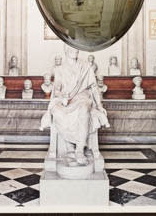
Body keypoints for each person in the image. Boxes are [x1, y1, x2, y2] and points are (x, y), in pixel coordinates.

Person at [41, 46, 109, 176]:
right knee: (57, 111)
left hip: (83, 97)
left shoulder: (85, 67)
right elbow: (57, 88)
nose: (75, 51)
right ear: (65, 50)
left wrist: (99, 105)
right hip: (67, 99)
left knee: (83, 109)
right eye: (71, 49)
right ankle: (69, 148)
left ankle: (79, 149)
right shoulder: (59, 69)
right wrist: (62, 96)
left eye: (76, 49)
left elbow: (94, 87)